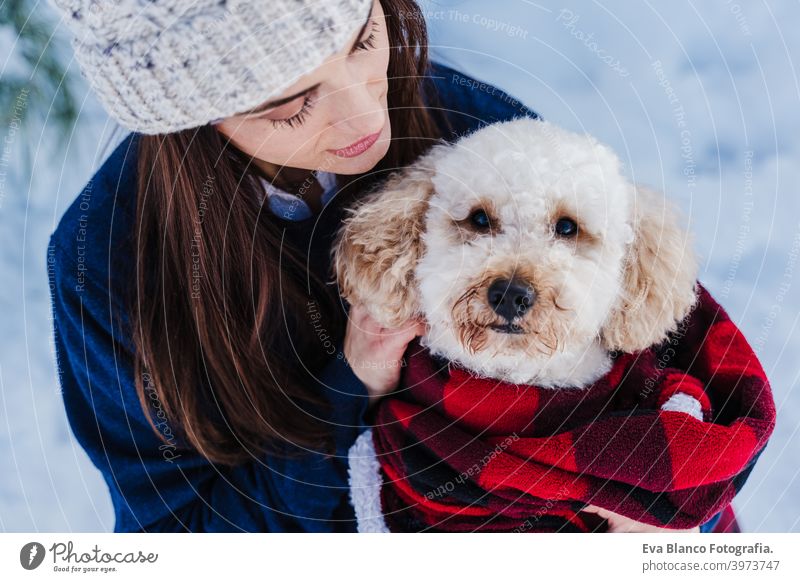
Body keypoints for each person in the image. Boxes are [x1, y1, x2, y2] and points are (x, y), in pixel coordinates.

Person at [48, 0, 720, 533]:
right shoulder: (107, 263)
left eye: (363, 39)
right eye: (289, 103)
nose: (365, 114)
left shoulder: (476, 132)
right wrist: (350, 390)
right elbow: (183, 534)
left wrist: (672, 511)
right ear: (187, 120)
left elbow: (697, 371)